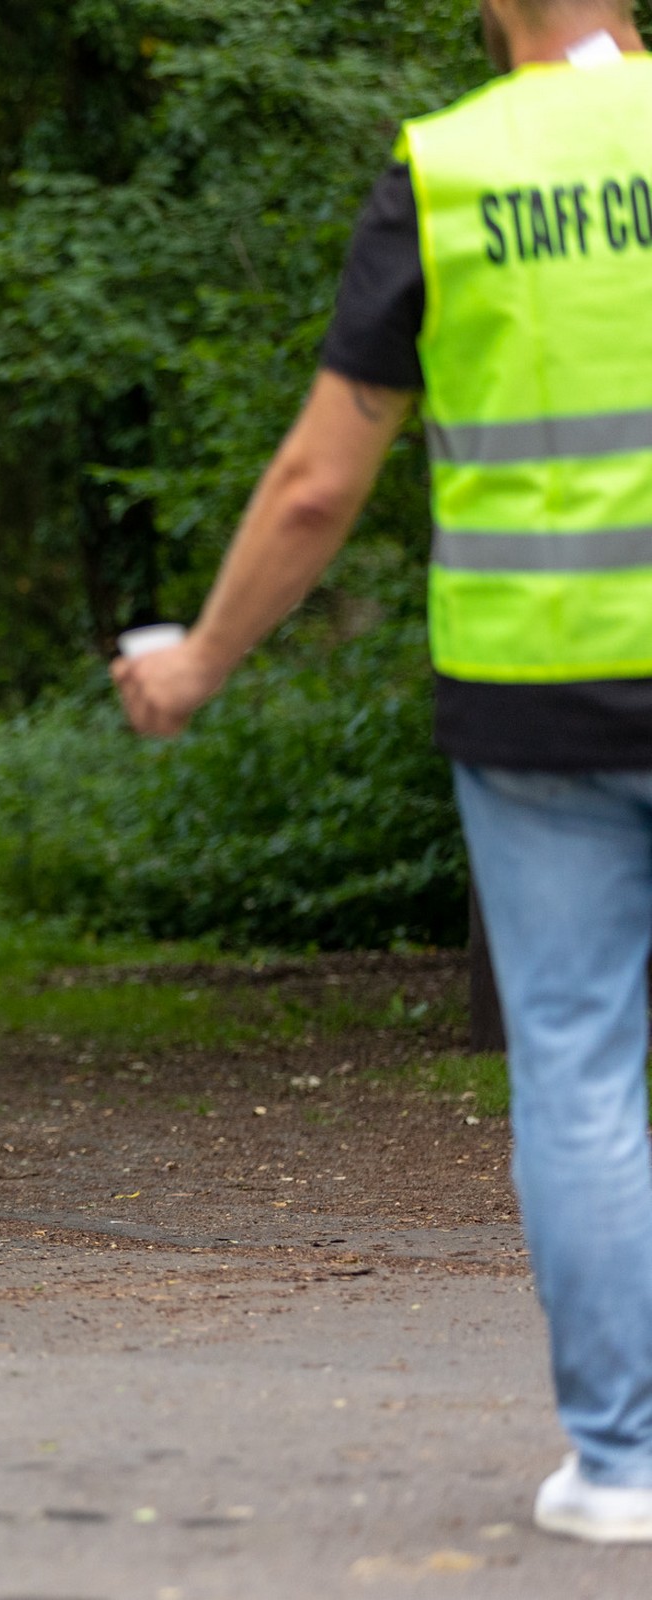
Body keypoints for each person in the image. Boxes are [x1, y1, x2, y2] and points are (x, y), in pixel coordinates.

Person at [114, 0, 652, 1545]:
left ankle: (624, 1465)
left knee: (578, 1069)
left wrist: (199, 663)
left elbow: (315, 486)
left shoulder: (451, 168)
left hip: (541, 701)